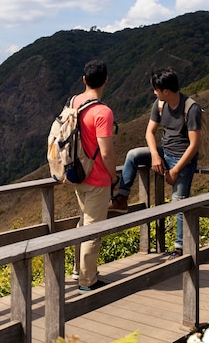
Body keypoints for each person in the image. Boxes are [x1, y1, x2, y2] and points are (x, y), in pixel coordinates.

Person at [109, 67, 202, 259]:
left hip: (183, 159)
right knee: (133, 155)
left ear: (165, 91)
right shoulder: (160, 104)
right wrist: (155, 155)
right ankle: (122, 197)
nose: (154, 92)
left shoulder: (191, 109)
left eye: (156, 89)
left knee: (179, 202)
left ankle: (180, 249)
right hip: (165, 153)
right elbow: (149, 132)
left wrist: (175, 170)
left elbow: (194, 145)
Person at [70, 59, 119, 294]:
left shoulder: (74, 102)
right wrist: (113, 177)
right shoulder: (103, 112)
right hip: (97, 178)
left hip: (77, 173)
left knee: (83, 224)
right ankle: (87, 281)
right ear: (106, 80)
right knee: (92, 230)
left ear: (84, 80)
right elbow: (107, 152)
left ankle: (77, 271)